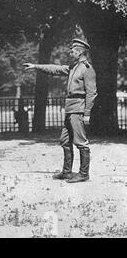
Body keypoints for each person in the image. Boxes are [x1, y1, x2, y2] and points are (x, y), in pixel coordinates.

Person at [23, 38, 97, 183]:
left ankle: (83, 173)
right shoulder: (73, 67)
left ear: (80, 52)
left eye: (73, 51)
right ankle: (67, 172)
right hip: (70, 108)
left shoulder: (87, 69)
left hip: (78, 108)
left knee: (81, 142)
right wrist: (35, 66)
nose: (70, 53)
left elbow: (92, 93)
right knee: (64, 140)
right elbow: (55, 68)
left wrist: (87, 113)